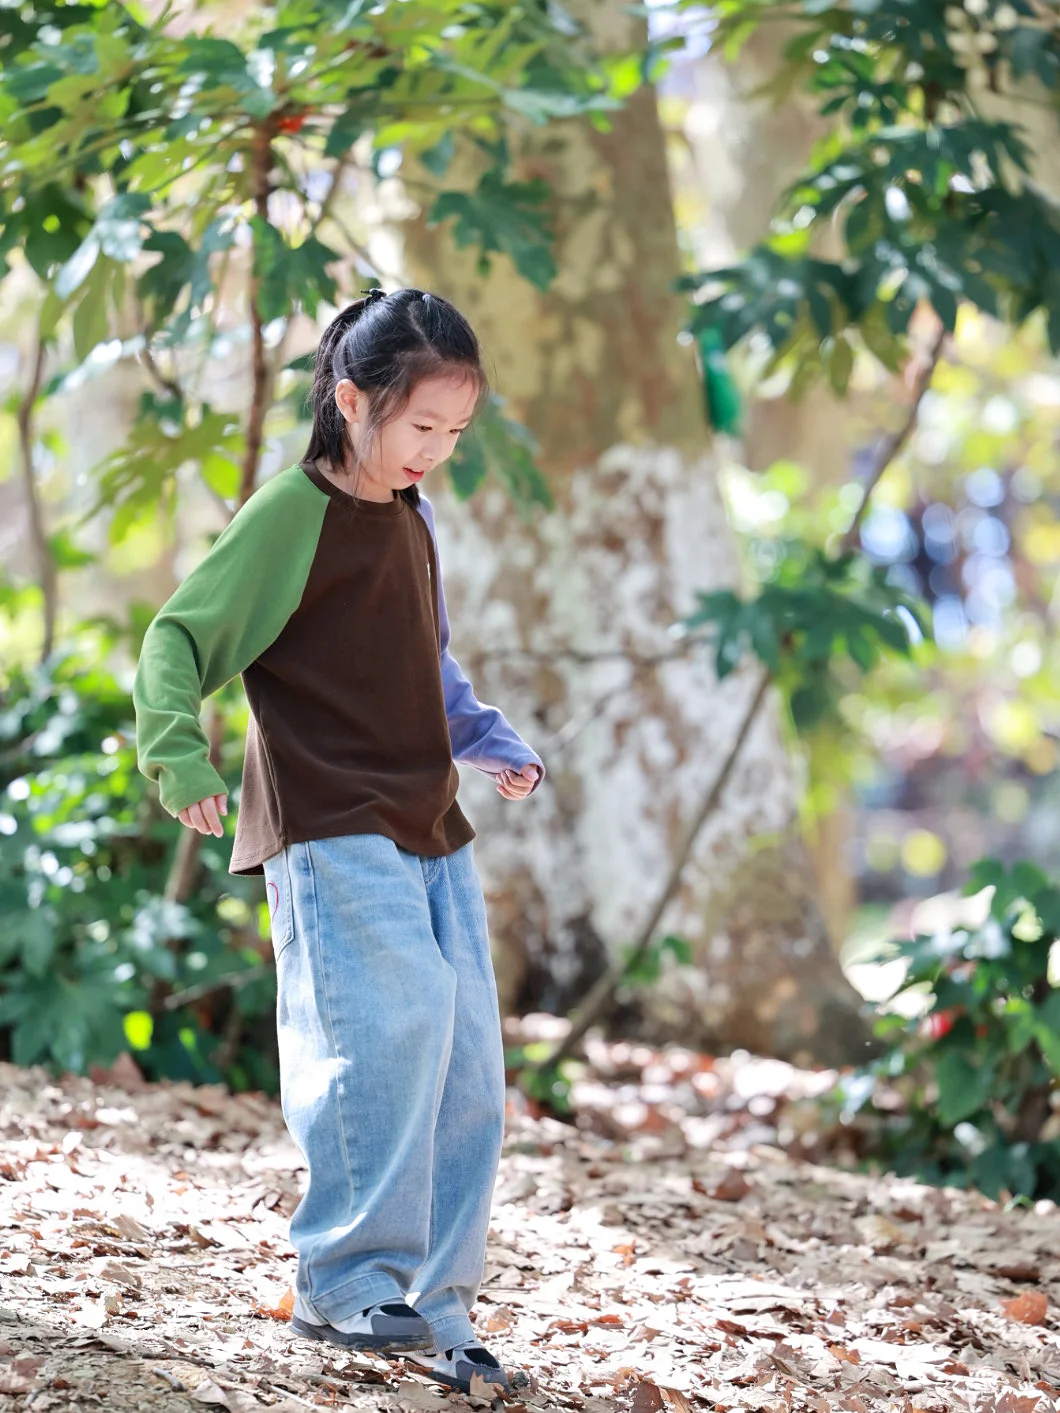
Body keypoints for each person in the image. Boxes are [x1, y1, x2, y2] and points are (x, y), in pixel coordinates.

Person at [132, 287, 546, 1396]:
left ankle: (437, 1303)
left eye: (456, 435)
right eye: (421, 428)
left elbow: (424, 662)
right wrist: (177, 755)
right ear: (352, 400)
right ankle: (344, 1279)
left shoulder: (408, 521)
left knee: (464, 1062)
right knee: (386, 1027)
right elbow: (179, 636)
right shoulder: (289, 514)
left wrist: (480, 737)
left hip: (425, 816)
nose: (437, 453)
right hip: (323, 815)